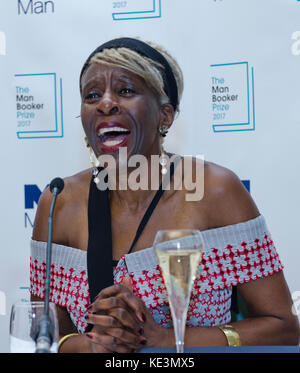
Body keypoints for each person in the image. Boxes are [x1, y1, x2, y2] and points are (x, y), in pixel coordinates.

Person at [30, 37, 300, 353]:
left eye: (126, 91)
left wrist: (164, 341)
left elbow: (283, 327)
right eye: (92, 95)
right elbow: (47, 335)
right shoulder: (59, 201)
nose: (105, 103)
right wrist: (93, 347)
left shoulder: (215, 191)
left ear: (165, 116)